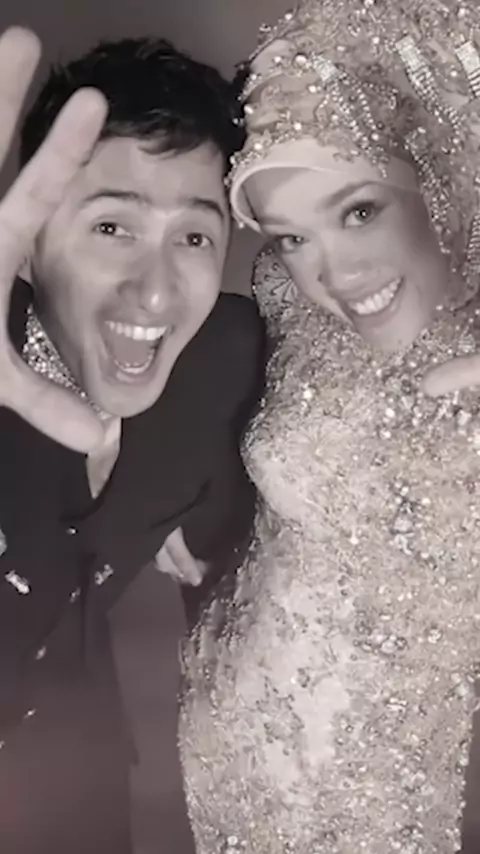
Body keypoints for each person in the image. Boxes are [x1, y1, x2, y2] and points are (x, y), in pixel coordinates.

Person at [179, 1, 480, 852]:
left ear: (430, 171)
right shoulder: (290, 299)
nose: (334, 273)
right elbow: (191, 348)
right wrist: (148, 474)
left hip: (376, 807)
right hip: (217, 739)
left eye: (358, 211)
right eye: (292, 236)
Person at [0, 27, 264, 854]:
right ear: (28, 247)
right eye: (113, 226)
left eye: (193, 236)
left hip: (85, 778)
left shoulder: (223, 359)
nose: (155, 291)